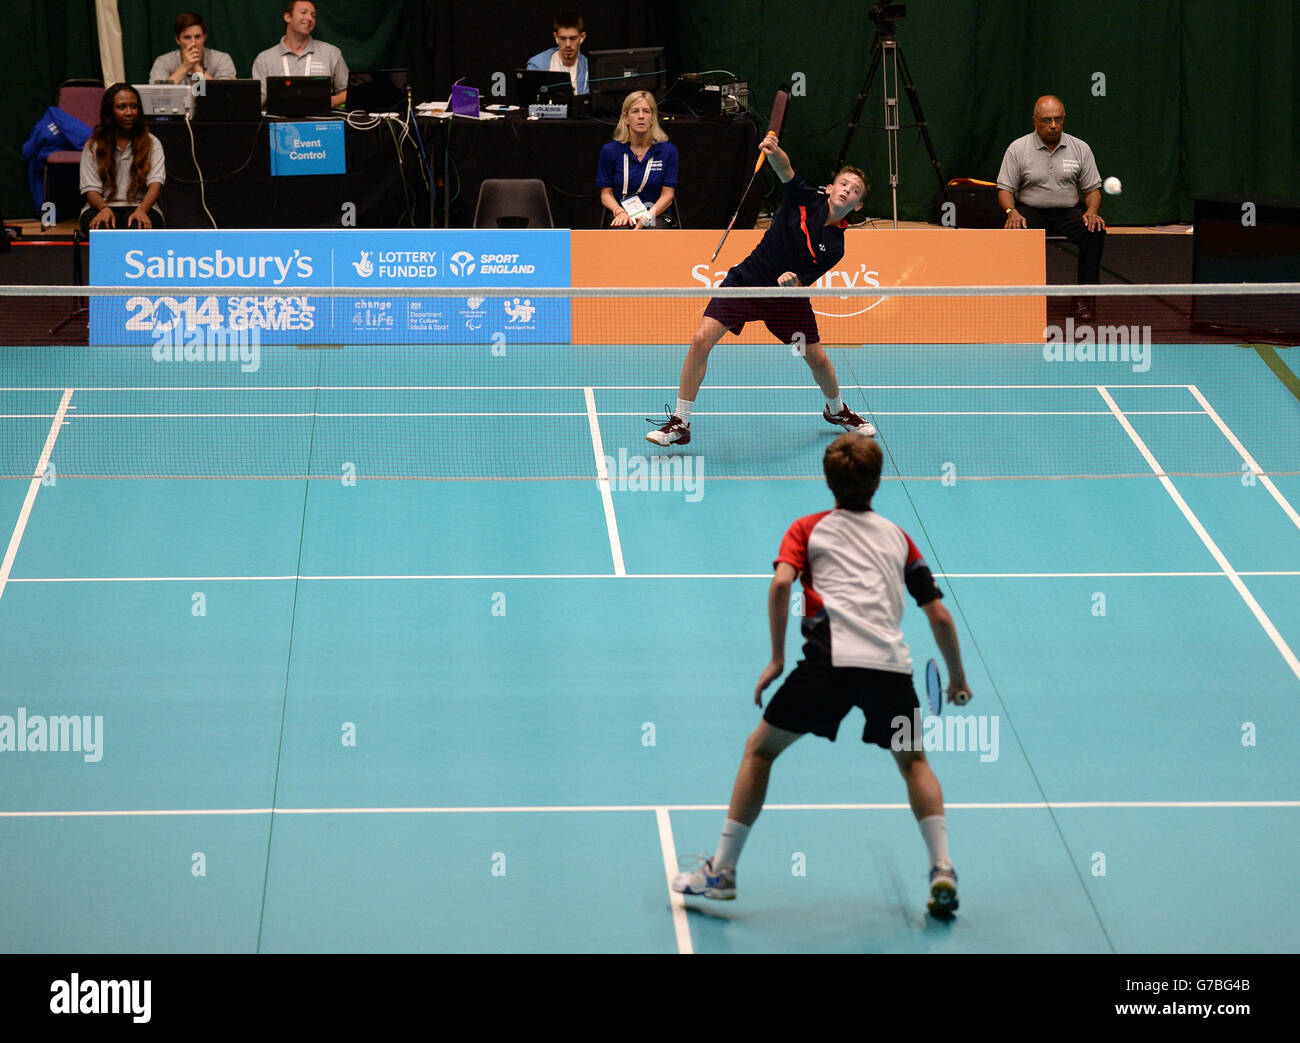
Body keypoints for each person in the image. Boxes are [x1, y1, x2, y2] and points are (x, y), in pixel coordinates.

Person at [671, 433, 973, 917]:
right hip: (890, 671)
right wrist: (957, 678)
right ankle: (942, 868)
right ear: (877, 482)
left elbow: (780, 585)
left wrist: (775, 657)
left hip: (828, 665)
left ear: (829, 482)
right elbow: (939, 616)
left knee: (760, 751)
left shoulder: (807, 529)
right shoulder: (899, 537)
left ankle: (721, 872)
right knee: (915, 764)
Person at [647, 135, 874, 446]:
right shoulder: (805, 197)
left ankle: (836, 411)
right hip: (747, 282)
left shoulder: (836, 246)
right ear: (830, 188)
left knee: (817, 359)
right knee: (702, 338)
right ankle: (680, 421)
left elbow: (805, 281)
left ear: (857, 205)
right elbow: (785, 168)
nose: (847, 189)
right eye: (843, 183)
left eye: (855, 190)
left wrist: (793, 283)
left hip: (786, 301)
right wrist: (774, 150)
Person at [997, 95, 1106, 316]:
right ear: (1035, 121)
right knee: (1013, 230)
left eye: (1058, 119)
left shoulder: (1080, 148)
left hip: (1068, 213)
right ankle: (1020, 297)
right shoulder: (1018, 148)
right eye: (1047, 120)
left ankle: (1084, 299)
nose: (1053, 125)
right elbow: (1005, 189)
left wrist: (1092, 211)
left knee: (1095, 232)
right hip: (1030, 212)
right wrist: (1011, 212)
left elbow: (1092, 190)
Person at [78, 84, 165, 233]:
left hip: (142, 205)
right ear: (110, 111)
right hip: (101, 205)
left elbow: (156, 184)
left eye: (134, 106)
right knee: (102, 230)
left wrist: (142, 210)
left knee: (138, 229)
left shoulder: (152, 142)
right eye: (122, 107)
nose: (129, 112)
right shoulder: (94, 144)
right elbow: (91, 189)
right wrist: (104, 209)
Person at [597, 91, 678, 228]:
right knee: (620, 232)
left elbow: (668, 195)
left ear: (652, 118)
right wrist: (619, 211)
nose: (641, 116)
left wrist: (647, 216)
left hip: (656, 214)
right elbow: (606, 194)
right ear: (625, 118)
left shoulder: (668, 151)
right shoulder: (609, 150)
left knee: (654, 232)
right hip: (622, 212)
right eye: (635, 111)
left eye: (646, 111)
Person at [250, 0, 349, 108]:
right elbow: (257, 98)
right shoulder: (265, 59)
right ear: (288, 17)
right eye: (303, 12)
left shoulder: (331, 53)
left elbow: (347, 91)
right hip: (279, 122)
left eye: (313, 15)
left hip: (319, 122)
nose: (310, 18)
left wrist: (330, 102)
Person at [148, 13, 237, 85]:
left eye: (197, 37)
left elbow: (225, 95)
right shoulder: (163, 62)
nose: (193, 43)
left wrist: (197, 68)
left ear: (204, 37)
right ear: (177, 40)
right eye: (187, 38)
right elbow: (157, 94)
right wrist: (185, 66)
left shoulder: (222, 59)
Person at [526, 12, 588, 96]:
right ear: (556, 37)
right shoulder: (537, 65)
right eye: (562, 38)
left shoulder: (589, 68)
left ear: (582, 37)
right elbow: (530, 100)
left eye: (573, 38)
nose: (568, 45)